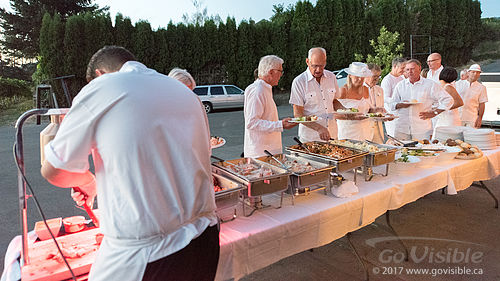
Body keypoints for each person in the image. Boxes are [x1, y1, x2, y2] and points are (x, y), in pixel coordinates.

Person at [40, 46, 220, 281]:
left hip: (149, 254)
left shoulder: (103, 86)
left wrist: (88, 180)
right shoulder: (184, 92)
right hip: (205, 241)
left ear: (99, 74)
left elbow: (54, 170)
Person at [244, 55, 297, 158]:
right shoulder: (258, 90)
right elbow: (251, 123)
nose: (281, 75)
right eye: (280, 71)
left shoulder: (264, 88)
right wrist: (280, 125)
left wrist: (280, 124)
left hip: (269, 150)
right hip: (260, 153)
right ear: (271, 72)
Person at [390, 59, 453, 140]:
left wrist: (435, 112)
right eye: (407, 69)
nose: (410, 72)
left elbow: (448, 100)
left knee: (422, 151)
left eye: (412, 69)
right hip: (401, 128)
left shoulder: (430, 84)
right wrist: (400, 105)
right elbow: (392, 104)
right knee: (400, 151)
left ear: (419, 68)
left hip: (422, 129)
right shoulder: (400, 85)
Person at [289, 47, 341, 142]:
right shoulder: (299, 82)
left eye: (322, 66)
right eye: (314, 66)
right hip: (310, 138)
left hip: (333, 134)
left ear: (325, 62)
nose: (318, 70)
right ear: (307, 62)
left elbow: (334, 101)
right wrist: (319, 128)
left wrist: (347, 112)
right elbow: (298, 115)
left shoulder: (331, 77)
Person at [336, 62, 373, 141]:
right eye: (357, 76)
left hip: (366, 132)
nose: (360, 79)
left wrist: (377, 110)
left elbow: (368, 110)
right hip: (348, 133)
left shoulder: (366, 89)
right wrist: (351, 117)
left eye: (362, 76)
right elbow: (335, 115)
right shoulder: (343, 91)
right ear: (350, 76)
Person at [456, 63, 488, 128]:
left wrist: (480, 118)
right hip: (458, 116)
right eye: (473, 72)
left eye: (478, 73)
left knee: (471, 137)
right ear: (468, 73)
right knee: (456, 137)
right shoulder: (458, 84)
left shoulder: (481, 87)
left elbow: (482, 104)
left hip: (472, 118)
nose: (475, 74)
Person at [381, 57, 406, 137]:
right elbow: (385, 98)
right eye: (402, 68)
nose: (403, 71)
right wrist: (397, 101)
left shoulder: (402, 78)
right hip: (392, 114)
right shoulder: (387, 80)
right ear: (395, 66)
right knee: (394, 137)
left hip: (402, 114)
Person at [364, 63, 385, 143]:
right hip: (365, 129)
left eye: (378, 77)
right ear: (366, 75)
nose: (376, 79)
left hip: (378, 131)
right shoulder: (358, 90)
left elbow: (380, 109)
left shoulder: (380, 90)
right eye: (374, 76)